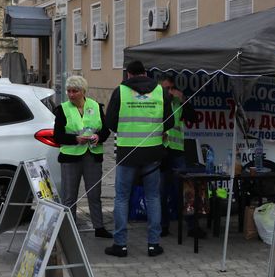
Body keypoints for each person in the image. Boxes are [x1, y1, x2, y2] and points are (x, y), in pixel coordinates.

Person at [105, 60, 174, 257]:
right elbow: (170, 122)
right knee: (152, 197)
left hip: (127, 152)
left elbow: (110, 122)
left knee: (122, 198)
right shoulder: (160, 91)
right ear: (145, 73)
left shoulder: (120, 91)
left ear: (128, 74)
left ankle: (120, 245)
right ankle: (153, 244)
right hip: (153, 152)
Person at [53, 75, 112, 238]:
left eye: (75, 91)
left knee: (94, 193)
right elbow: (57, 136)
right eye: (69, 91)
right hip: (71, 157)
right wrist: (75, 139)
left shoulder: (95, 106)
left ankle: (99, 228)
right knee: (69, 196)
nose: (71, 94)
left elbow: (106, 130)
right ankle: (69, 229)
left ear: (83, 91)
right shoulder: (62, 109)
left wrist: (99, 137)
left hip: (92, 155)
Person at [159, 73, 197, 238]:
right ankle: (163, 226)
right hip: (160, 152)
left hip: (176, 151)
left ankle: (191, 226)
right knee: (161, 192)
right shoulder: (155, 103)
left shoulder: (178, 103)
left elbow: (193, 117)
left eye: (170, 88)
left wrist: (183, 99)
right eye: (164, 88)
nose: (168, 91)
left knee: (185, 191)